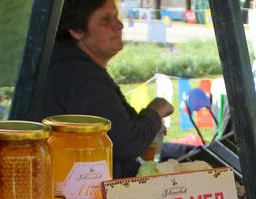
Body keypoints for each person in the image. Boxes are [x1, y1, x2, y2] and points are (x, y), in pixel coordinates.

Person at [38, 0, 175, 178]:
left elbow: (120, 129)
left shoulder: (70, 66)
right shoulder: (78, 75)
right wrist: (155, 112)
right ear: (76, 30)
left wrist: (148, 122)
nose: (119, 25)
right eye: (105, 19)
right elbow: (127, 143)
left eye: (116, 17)